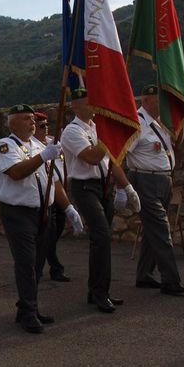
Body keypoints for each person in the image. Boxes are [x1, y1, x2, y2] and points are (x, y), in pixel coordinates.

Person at [60, 88, 140, 313]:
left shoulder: (96, 128)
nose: (93, 107)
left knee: (102, 240)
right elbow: (93, 157)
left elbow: (113, 160)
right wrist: (109, 137)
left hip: (104, 186)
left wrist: (127, 187)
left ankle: (98, 291)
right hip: (85, 187)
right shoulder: (71, 131)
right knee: (101, 236)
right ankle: (99, 292)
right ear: (76, 106)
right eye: (88, 103)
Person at [0, 104, 62, 333]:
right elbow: (16, 172)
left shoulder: (37, 145)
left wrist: (66, 207)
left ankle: (27, 307)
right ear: (13, 123)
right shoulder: (5, 145)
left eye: (33, 118)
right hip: (18, 213)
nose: (32, 122)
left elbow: (51, 179)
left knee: (38, 263)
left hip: (43, 211)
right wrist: (44, 156)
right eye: (26, 119)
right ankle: (29, 313)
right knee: (26, 263)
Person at [127, 85, 184, 296]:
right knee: (161, 230)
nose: (162, 105)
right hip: (144, 179)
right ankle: (170, 280)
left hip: (164, 181)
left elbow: (174, 143)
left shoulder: (161, 121)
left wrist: (179, 125)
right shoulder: (136, 122)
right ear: (146, 101)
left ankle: (144, 274)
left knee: (152, 230)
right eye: (157, 101)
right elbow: (120, 154)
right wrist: (123, 188)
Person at [33, 110, 84, 281]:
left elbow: (64, 166)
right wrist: (68, 206)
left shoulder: (54, 144)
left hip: (60, 193)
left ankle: (41, 263)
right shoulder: (34, 148)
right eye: (41, 126)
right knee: (49, 233)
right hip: (47, 197)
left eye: (47, 125)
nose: (45, 129)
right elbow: (51, 177)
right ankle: (53, 268)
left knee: (55, 232)